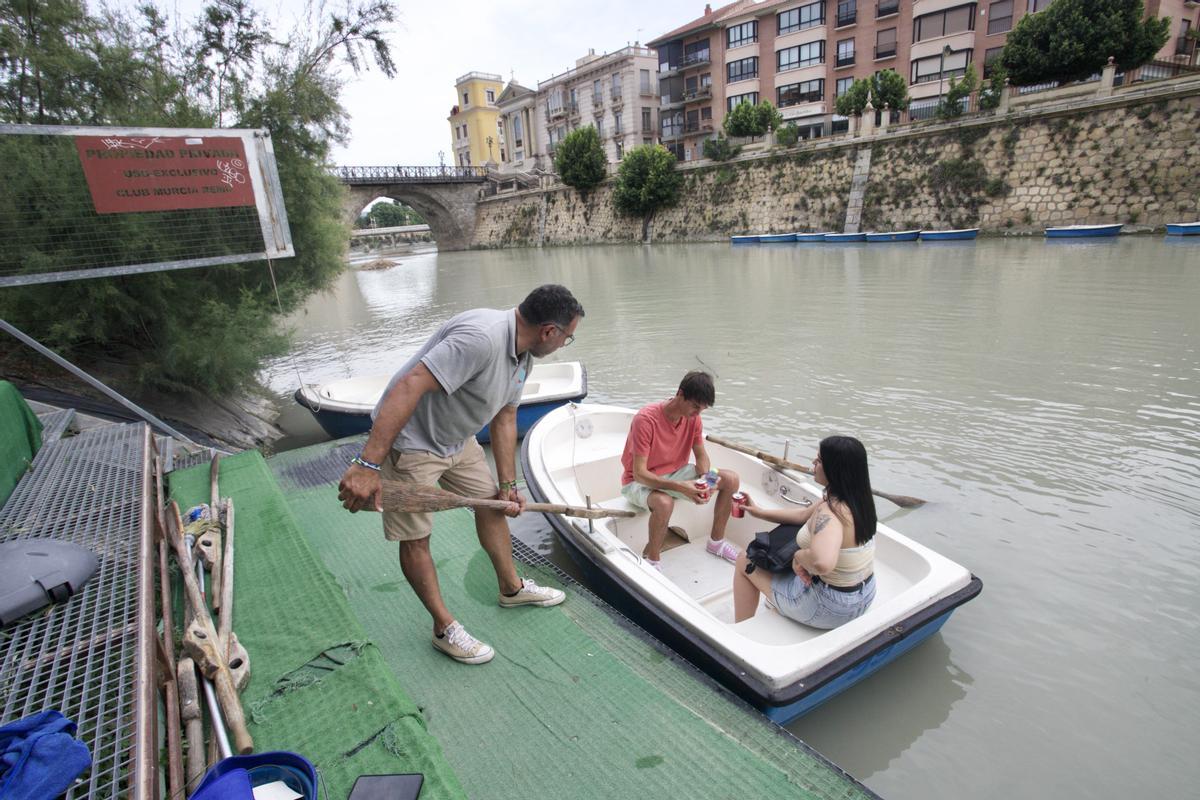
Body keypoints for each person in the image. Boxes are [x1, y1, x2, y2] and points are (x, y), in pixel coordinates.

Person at [337, 284, 585, 665]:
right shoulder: (481, 339)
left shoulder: (522, 355)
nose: (564, 344)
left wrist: (508, 485)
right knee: (417, 537)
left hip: (458, 441)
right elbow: (409, 384)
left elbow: (505, 417)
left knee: (494, 506)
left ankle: (511, 588)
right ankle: (443, 627)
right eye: (568, 337)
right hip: (413, 443)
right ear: (548, 331)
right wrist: (368, 465)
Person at [732, 435, 877, 628]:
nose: (813, 463)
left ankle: (741, 630)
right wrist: (758, 512)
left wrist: (799, 557)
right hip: (864, 595)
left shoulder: (831, 514)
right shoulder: (857, 499)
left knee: (744, 560)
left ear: (834, 469)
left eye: (819, 460)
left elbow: (823, 563)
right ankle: (777, 600)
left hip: (828, 608)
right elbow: (802, 516)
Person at [618, 371, 741, 570]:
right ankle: (653, 561)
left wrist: (704, 481)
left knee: (731, 479)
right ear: (680, 394)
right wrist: (681, 487)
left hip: (676, 474)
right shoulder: (646, 419)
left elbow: (701, 456)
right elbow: (639, 473)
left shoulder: (694, 419)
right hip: (638, 482)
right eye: (695, 406)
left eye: (702, 409)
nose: (697, 413)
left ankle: (716, 543)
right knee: (664, 503)